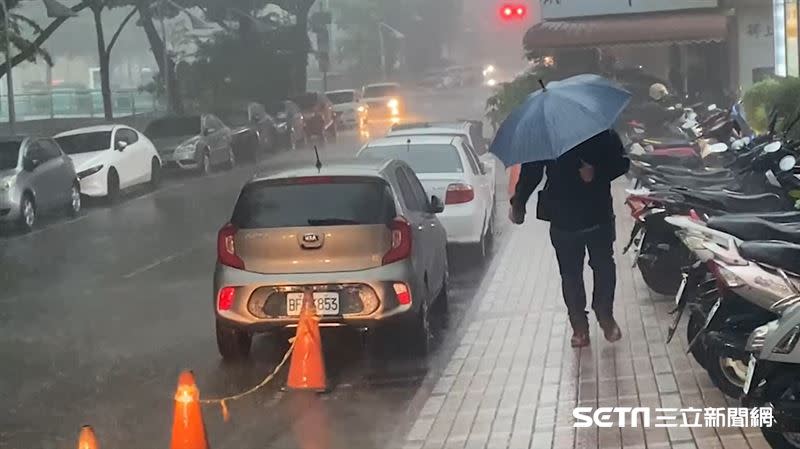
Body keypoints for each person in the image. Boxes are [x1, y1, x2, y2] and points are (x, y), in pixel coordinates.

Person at [509, 129, 630, 348]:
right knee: (570, 274)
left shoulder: (601, 131)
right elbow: (532, 171)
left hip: (598, 215)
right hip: (563, 218)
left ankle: (604, 314)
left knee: (603, 266)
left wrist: (597, 172)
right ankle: (579, 327)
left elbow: (622, 163)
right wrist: (518, 202)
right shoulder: (546, 136)